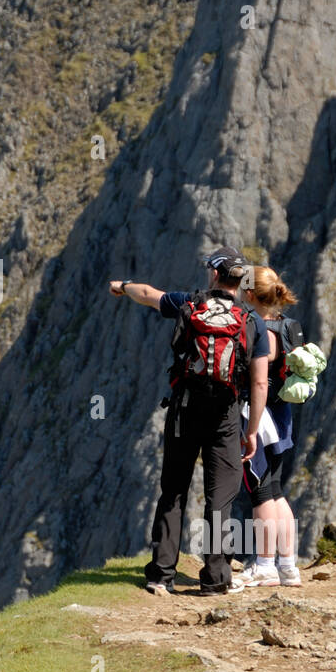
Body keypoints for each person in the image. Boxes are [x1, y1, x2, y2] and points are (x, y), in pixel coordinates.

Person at [109, 246, 269, 596]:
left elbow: (149, 295)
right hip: (225, 415)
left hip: (184, 408)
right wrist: (252, 430)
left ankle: (161, 574)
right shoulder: (252, 320)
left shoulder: (189, 304)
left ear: (214, 273)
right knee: (220, 498)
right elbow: (259, 381)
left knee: (174, 489)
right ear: (241, 281)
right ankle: (214, 579)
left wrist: (123, 285)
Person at [231, 266, 302, 588]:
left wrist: (250, 430)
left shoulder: (257, 328)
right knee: (275, 491)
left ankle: (264, 565)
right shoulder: (287, 324)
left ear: (248, 294)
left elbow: (259, 380)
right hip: (282, 415)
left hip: (258, 417)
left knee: (259, 492)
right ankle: (288, 566)